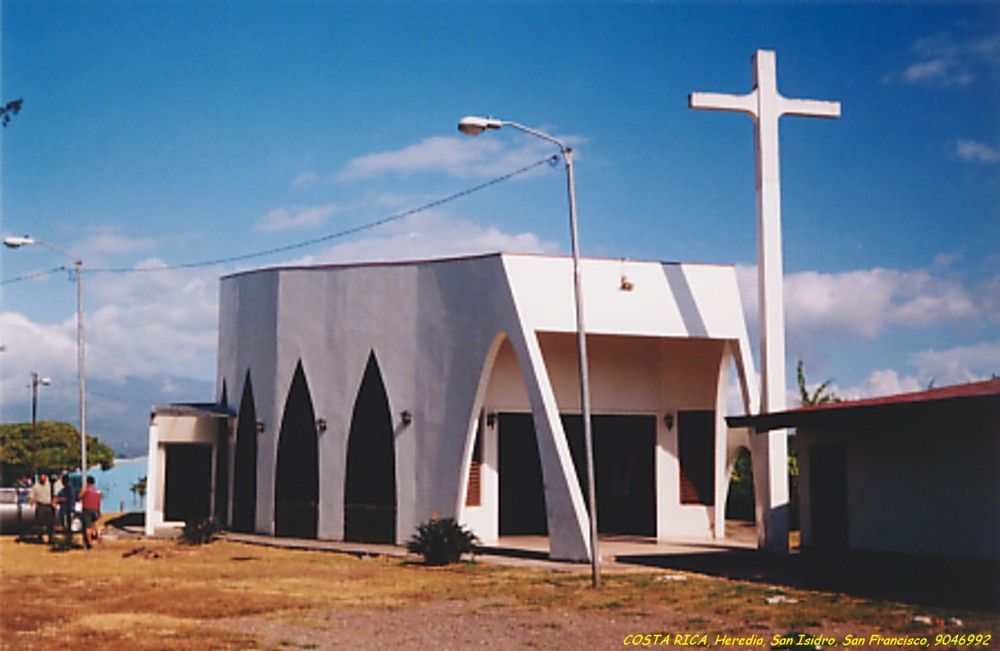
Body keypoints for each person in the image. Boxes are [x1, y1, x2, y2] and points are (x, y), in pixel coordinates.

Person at [29, 473, 55, 544]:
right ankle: (40, 537)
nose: (43, 479)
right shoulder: (36, 486)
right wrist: (32, 501)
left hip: (49, 505)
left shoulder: (50, 485)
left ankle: (50, 537)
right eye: (41, 478)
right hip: (41, 506)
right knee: (39, 523)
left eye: (44, 477)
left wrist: (54, 503)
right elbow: (32, 495)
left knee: (50, 523)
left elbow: (54, 495)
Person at [78, 476, 102, 549]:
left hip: (87, 510)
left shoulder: (86, 489)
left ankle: (89, 543)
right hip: (96, 510)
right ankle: (98, 540)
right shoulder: (97, 491)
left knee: (87, 527)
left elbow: (79, 496)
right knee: (92, 526)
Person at [54, 473, 76, 547]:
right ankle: (67, 539)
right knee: (64, 526)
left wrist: (60, 499)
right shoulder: (63, 490)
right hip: (63, 511)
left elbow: (68, 499)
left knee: (68, 526)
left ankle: (69, 540)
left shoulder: (70, 490)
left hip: (68, 510)